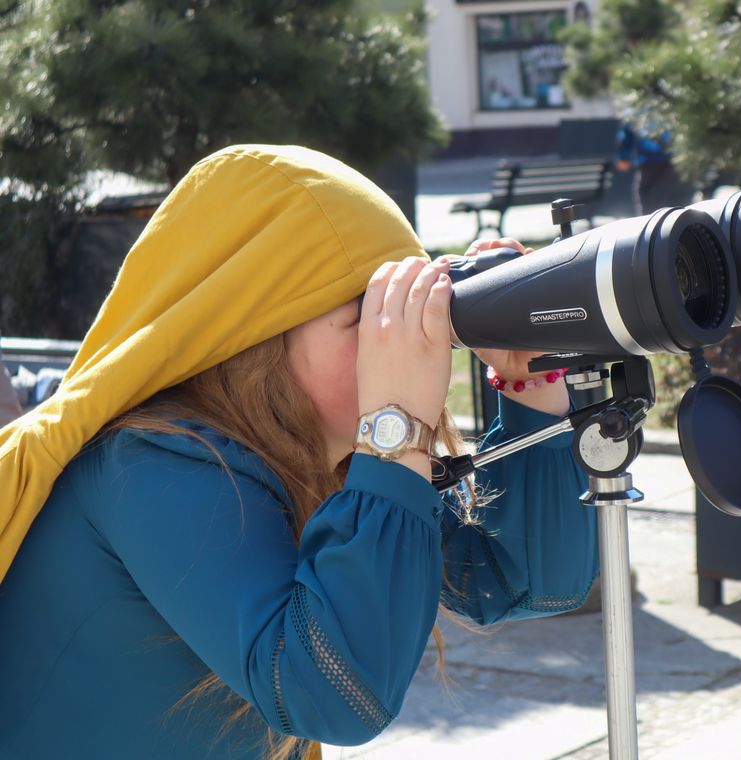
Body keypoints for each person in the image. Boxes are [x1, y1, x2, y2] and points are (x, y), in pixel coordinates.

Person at [0, 145, 599, 760]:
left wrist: (535, 387)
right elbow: (336, 696)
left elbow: (519, 584)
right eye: (371, 315)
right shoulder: (153, 462)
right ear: (255, 339)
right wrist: (397, 428)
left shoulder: (317, 454)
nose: (411, 336)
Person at [616, 120, 694, 216]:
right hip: (665, 159)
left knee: (648, 194)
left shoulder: (639, 112)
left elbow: (627, 134)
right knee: (656, 194)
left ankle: (649, 219)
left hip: (651, 160)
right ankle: (652, 219)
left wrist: (624, 157)